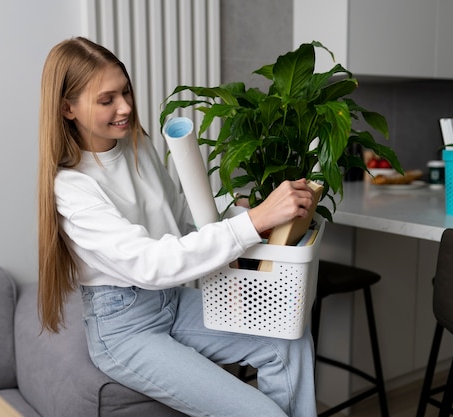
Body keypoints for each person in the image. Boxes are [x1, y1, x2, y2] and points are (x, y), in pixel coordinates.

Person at [38, 36, 318, 417]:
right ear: (67, 108)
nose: (125, 107)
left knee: (288, 340)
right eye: (107, 100)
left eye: (126, 92)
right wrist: (254, 223)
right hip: (124, 327)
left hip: (170, 302)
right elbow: (150, 263)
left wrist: (238, 209)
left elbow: (179, 214)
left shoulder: (136, 144)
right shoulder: (71, 187)